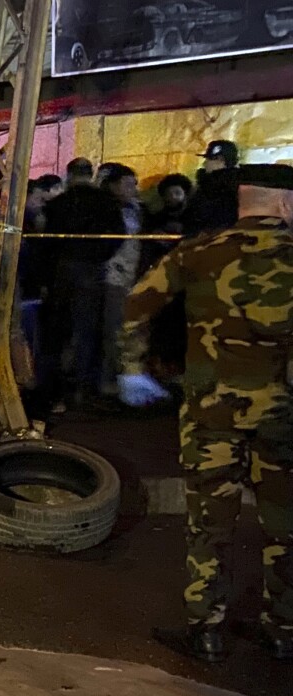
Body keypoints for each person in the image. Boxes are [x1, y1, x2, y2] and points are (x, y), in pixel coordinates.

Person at [119, 164, 293, 664]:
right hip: (283, 413)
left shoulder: (198, 252)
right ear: (282, 204)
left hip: (212, 412)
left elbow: (137, 305)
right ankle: (282, 628)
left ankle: (206, 631)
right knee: (284, 524)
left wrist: (133, 369)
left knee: (209, 523)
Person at [39, 158, 126, 409]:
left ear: (69, 175)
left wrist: (46, 277)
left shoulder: (57, 205)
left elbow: (45, 245)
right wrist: (99, 256)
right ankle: (82, 387)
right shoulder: (106, 202)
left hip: (60, 272)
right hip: (90, 271)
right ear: (90, 175)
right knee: (86, 329)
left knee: (57, 331)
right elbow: (118, 236)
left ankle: (54, 389)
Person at [100, 164, 146, 395]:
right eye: (128, 184)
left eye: (134, 184)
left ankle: (128, 375)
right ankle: (109, 379)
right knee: (113, 329)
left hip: (133, 276)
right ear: (114, 186)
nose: (133, 188)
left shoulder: (137, 209)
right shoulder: (108, 210)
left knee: (131, 330)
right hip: (115, 277)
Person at [185, 140, 240, 237]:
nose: (205, 164)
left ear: (220, 160)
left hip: (210, 242)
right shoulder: (239, 184)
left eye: (209, 159)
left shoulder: (212, 187)